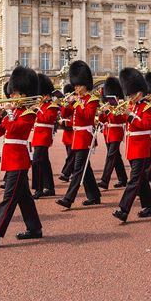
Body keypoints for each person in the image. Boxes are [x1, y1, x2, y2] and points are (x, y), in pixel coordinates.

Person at [0, 66, 43, 248]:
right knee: (24, 197)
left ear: (24, 94)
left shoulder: (29, 113)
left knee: (8, 198)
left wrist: (10, 113)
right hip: (11, 158)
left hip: (18, 159)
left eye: (15, 94)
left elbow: (17, 130)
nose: (12, 97)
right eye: (12, 94)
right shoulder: (13, 113)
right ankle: (34, 228)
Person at [112, 68, 151, 222]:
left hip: (142, 147)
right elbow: (120, 121)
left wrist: (130, 115)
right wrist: (112, 113)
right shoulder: (132, 106)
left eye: (131, 94)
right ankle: (150, 206)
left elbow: (145, 124)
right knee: (141, 180)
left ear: (139, 93)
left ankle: (123, 209)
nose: (129, 97)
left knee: (134, 179)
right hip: (131, 147)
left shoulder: (149, 107)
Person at [56, 61, 102, 209]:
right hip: (77, 137)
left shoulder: (92, 100)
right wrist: (66, 105)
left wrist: (76, 103)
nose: (76, 88)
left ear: (85, 85)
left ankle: (68, 199)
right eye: (75, 85)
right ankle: (94, 195)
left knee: (78, 169)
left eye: (78, 85)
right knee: (84, 168)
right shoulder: (78, 99)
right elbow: (65, 115)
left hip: (85, 137)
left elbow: (88, 116)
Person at [30, 73, 59, 199]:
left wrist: (37, 110)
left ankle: (39, 188)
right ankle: (50, 187)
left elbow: (46, 119)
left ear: (46, 95)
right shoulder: (41, 106)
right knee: (44, 162)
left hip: (44, 136)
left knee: (37, 162)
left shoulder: (52, 106)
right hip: (37, 136)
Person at [97, 76, 129, 191]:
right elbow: (103, 120)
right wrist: (102, 113)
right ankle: (123, 179)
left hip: (116, 132)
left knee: (111, 156)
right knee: (116, 157)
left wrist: (111, 111)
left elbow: (121, 119)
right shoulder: (108, 105)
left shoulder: (121, 105)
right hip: (107, 132)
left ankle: (104, 181)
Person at [58, 83, 75, 181]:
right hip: (68, 134)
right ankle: (73, 173)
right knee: (70, 155)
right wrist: (66, 104)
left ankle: (66, 174)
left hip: (74, 133)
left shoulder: (76, 102)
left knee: (72, 155)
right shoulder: (69, 103)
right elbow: (64, 114)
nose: (67, 96)